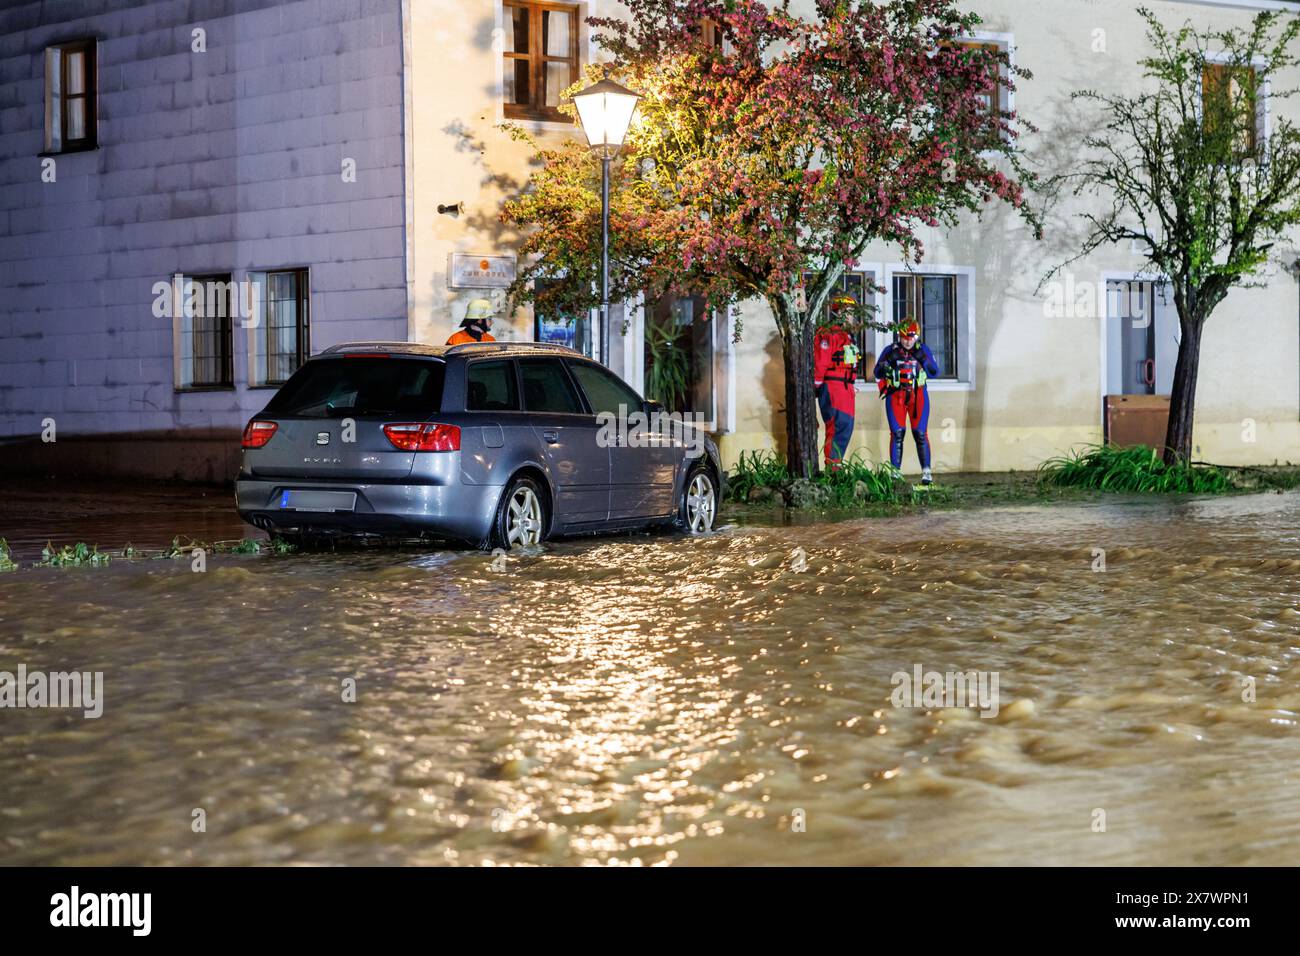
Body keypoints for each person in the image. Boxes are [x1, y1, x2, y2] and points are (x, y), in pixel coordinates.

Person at [874, 319, 939, 484]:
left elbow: (934, 372)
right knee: (897, 434)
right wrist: (887, 361)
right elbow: (877, 372)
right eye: (904, 337)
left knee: (920, 433)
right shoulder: (890, 350)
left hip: (918, 396)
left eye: (911, 337)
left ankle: (926, 473)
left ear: (917, 336)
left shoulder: (922, 349)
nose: (908, 341)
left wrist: (923, 358)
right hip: (896, 396)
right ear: (899, 336)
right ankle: (895, 473)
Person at [812, 294, 861, 470]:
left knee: (845, 427)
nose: (850, 316)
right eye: (847, 312)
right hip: (833, 388)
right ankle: (832, 469)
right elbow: (820, 362)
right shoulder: (828, 334)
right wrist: (816, 388)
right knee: (836, 426)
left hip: (846, 389)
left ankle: (836, 466)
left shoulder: (847, 336)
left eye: (852, 312)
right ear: (837, 312)